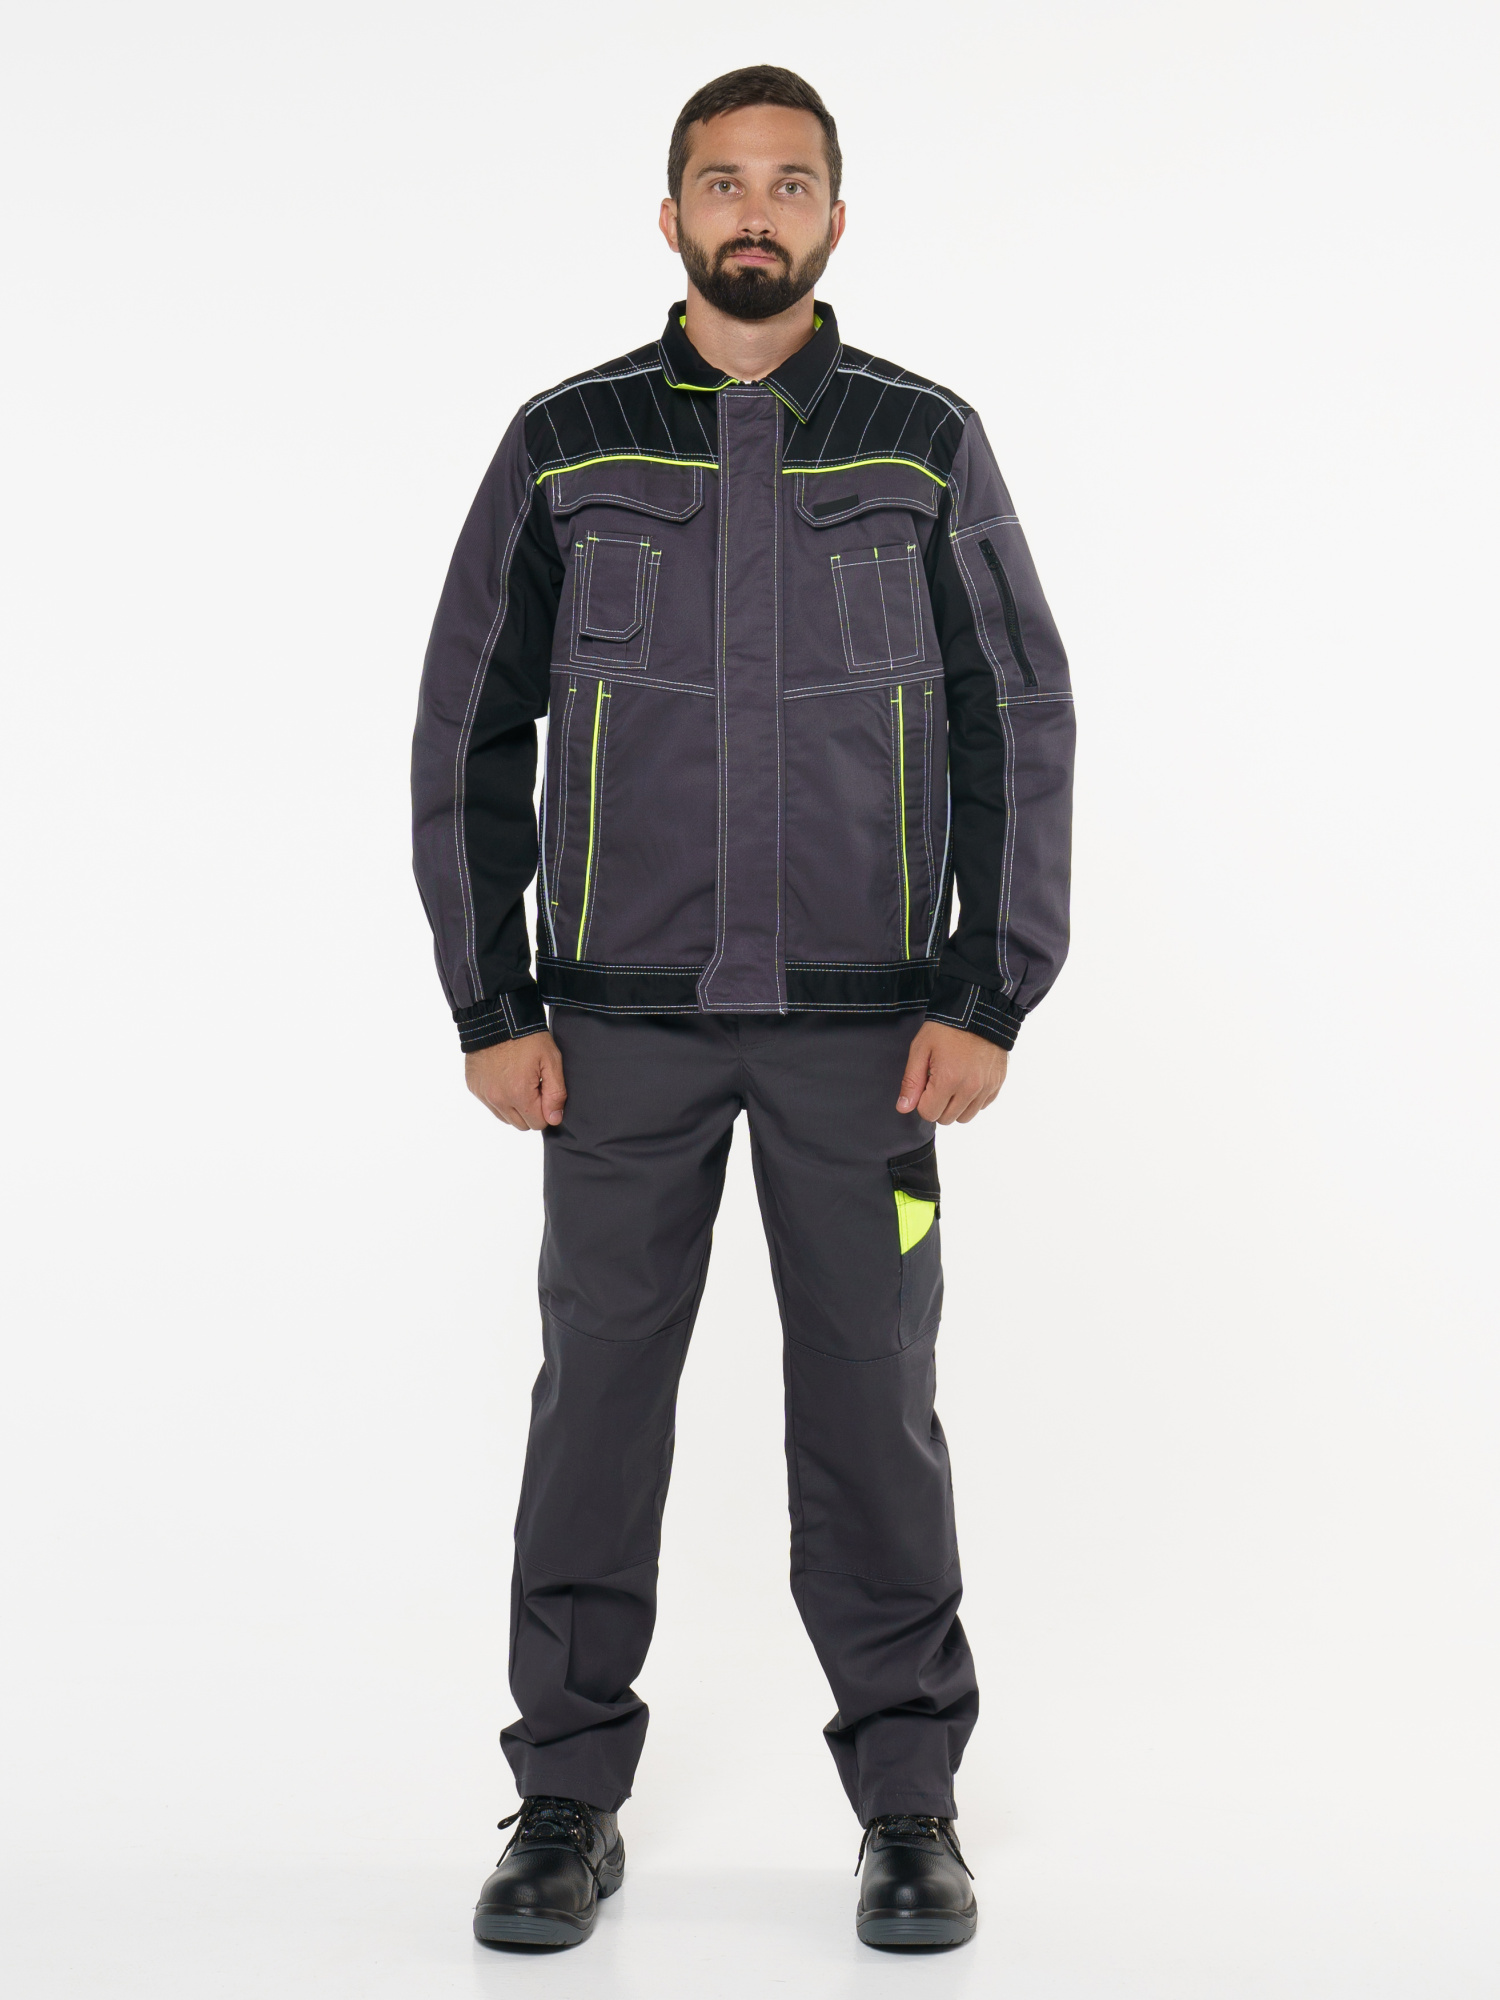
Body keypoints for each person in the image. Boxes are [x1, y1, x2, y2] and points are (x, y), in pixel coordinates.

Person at [411, 63, 1074, 1952]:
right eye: (723, 183)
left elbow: (1020, 717)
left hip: (875, 1040)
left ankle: (909, 1807)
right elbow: (467, 728)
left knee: (874, 1404)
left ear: (837, 219)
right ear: (673, 216)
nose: (755, 212)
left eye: (790, 184)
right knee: (598, 1404)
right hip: (615, 1035)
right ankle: (564, 1798)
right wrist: (491, 1000)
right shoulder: (567, 442)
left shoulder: (924, 443)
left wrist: (991, 989)